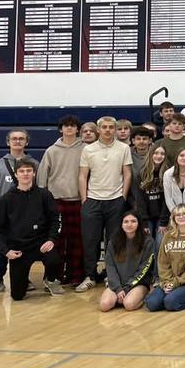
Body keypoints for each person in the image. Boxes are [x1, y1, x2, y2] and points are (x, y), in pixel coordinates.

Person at [0, 158, 64, 300]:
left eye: (29, 171)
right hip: (19, 249)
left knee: (54, 260)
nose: (25, 174)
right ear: (16, 175)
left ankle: (50, 280)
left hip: (41, 244)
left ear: (34, 173)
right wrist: (6, 251)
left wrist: (51, 240)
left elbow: (55, 219)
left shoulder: (44, 195)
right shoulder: (6, 200)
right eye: (21, 171)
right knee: (17, 296)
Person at [76, 116, 133, 293]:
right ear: (98, 130)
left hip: (115, 200)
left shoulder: (124, 148)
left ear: (115, 130)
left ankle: (111, 276)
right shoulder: (88, 149)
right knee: (90, 240)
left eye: (111, 127)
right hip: (92, 200)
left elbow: (127, 174)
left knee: (114, 241)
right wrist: (84, 199)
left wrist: (122, 197)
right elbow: (83, 175)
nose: (108, 130)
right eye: (105, 127)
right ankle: (90, 276)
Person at [0, 129, 39, 296]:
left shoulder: (34, 164)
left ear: (26, 142)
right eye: (14, 139)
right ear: (8, 142)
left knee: (22, 249)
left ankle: (23, 278)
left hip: (23, 219)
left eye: (21, 139)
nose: (18, 141)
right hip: (0, 217)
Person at [37, 115, 85, 287]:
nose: (69, 129)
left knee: (77, 241)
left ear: (77, 129)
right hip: (56, 201)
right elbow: (42, 177)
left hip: (78, 200)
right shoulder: (51, 150)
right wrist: (43, 200)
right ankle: (54, 275)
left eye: (73, 126)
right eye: (66, 126)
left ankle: (76, 275)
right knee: (56, 241)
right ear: (61, 129)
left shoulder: (85, 148)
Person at [145, 204, 185, 312]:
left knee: (170, 303)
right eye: (178, 215)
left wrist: (174, 284)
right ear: (173, 218)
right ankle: (171, 296)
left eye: (184, 214)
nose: (181, 217)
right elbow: (162, 263)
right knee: (151, 303)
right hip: (169, 281)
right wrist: (167, 282)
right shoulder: (168, 236)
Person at [99, 210, 154, 312]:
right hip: (118, 284)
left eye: (133, 221)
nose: (129, 224)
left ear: (139, 223)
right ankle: (120, 297)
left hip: (138, 283)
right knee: (104, 305)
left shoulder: (148, 241)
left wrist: (128, 287)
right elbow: (110, 266)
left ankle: (144, 295)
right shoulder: (114, 241)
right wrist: (118, 288)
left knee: (129, 305)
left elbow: (144, 269)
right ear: (121, 224)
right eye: (126, 221)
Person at [133, 145, 167, 237]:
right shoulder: (141, 173)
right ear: (151, 154)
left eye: (162, 154)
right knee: (147, 241)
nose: (159, 156)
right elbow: (140, 200)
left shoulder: (167, 173)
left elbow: (167, 200)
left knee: (159, 242)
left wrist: (163, 222)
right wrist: (144, 222)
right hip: (147, 217)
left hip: (162, 217)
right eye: (156, 153)